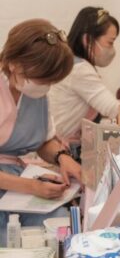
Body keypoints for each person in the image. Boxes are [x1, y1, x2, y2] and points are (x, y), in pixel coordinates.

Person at [0, 19, 82, 241]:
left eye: (50, 81)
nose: (45, 86)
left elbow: (43, 141)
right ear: (14, 64)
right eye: (40, 79)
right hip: (15, 184)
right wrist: (31, 186)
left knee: (58, 226)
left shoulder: (36, 94)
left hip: (16, 183)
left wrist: (62, 157)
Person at [49, 6, 120, 148]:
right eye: (110, 42)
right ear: (87, 39)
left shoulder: (72, 64)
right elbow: (116, 110)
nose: (112, 49)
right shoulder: (80, 70)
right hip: (60, 148)